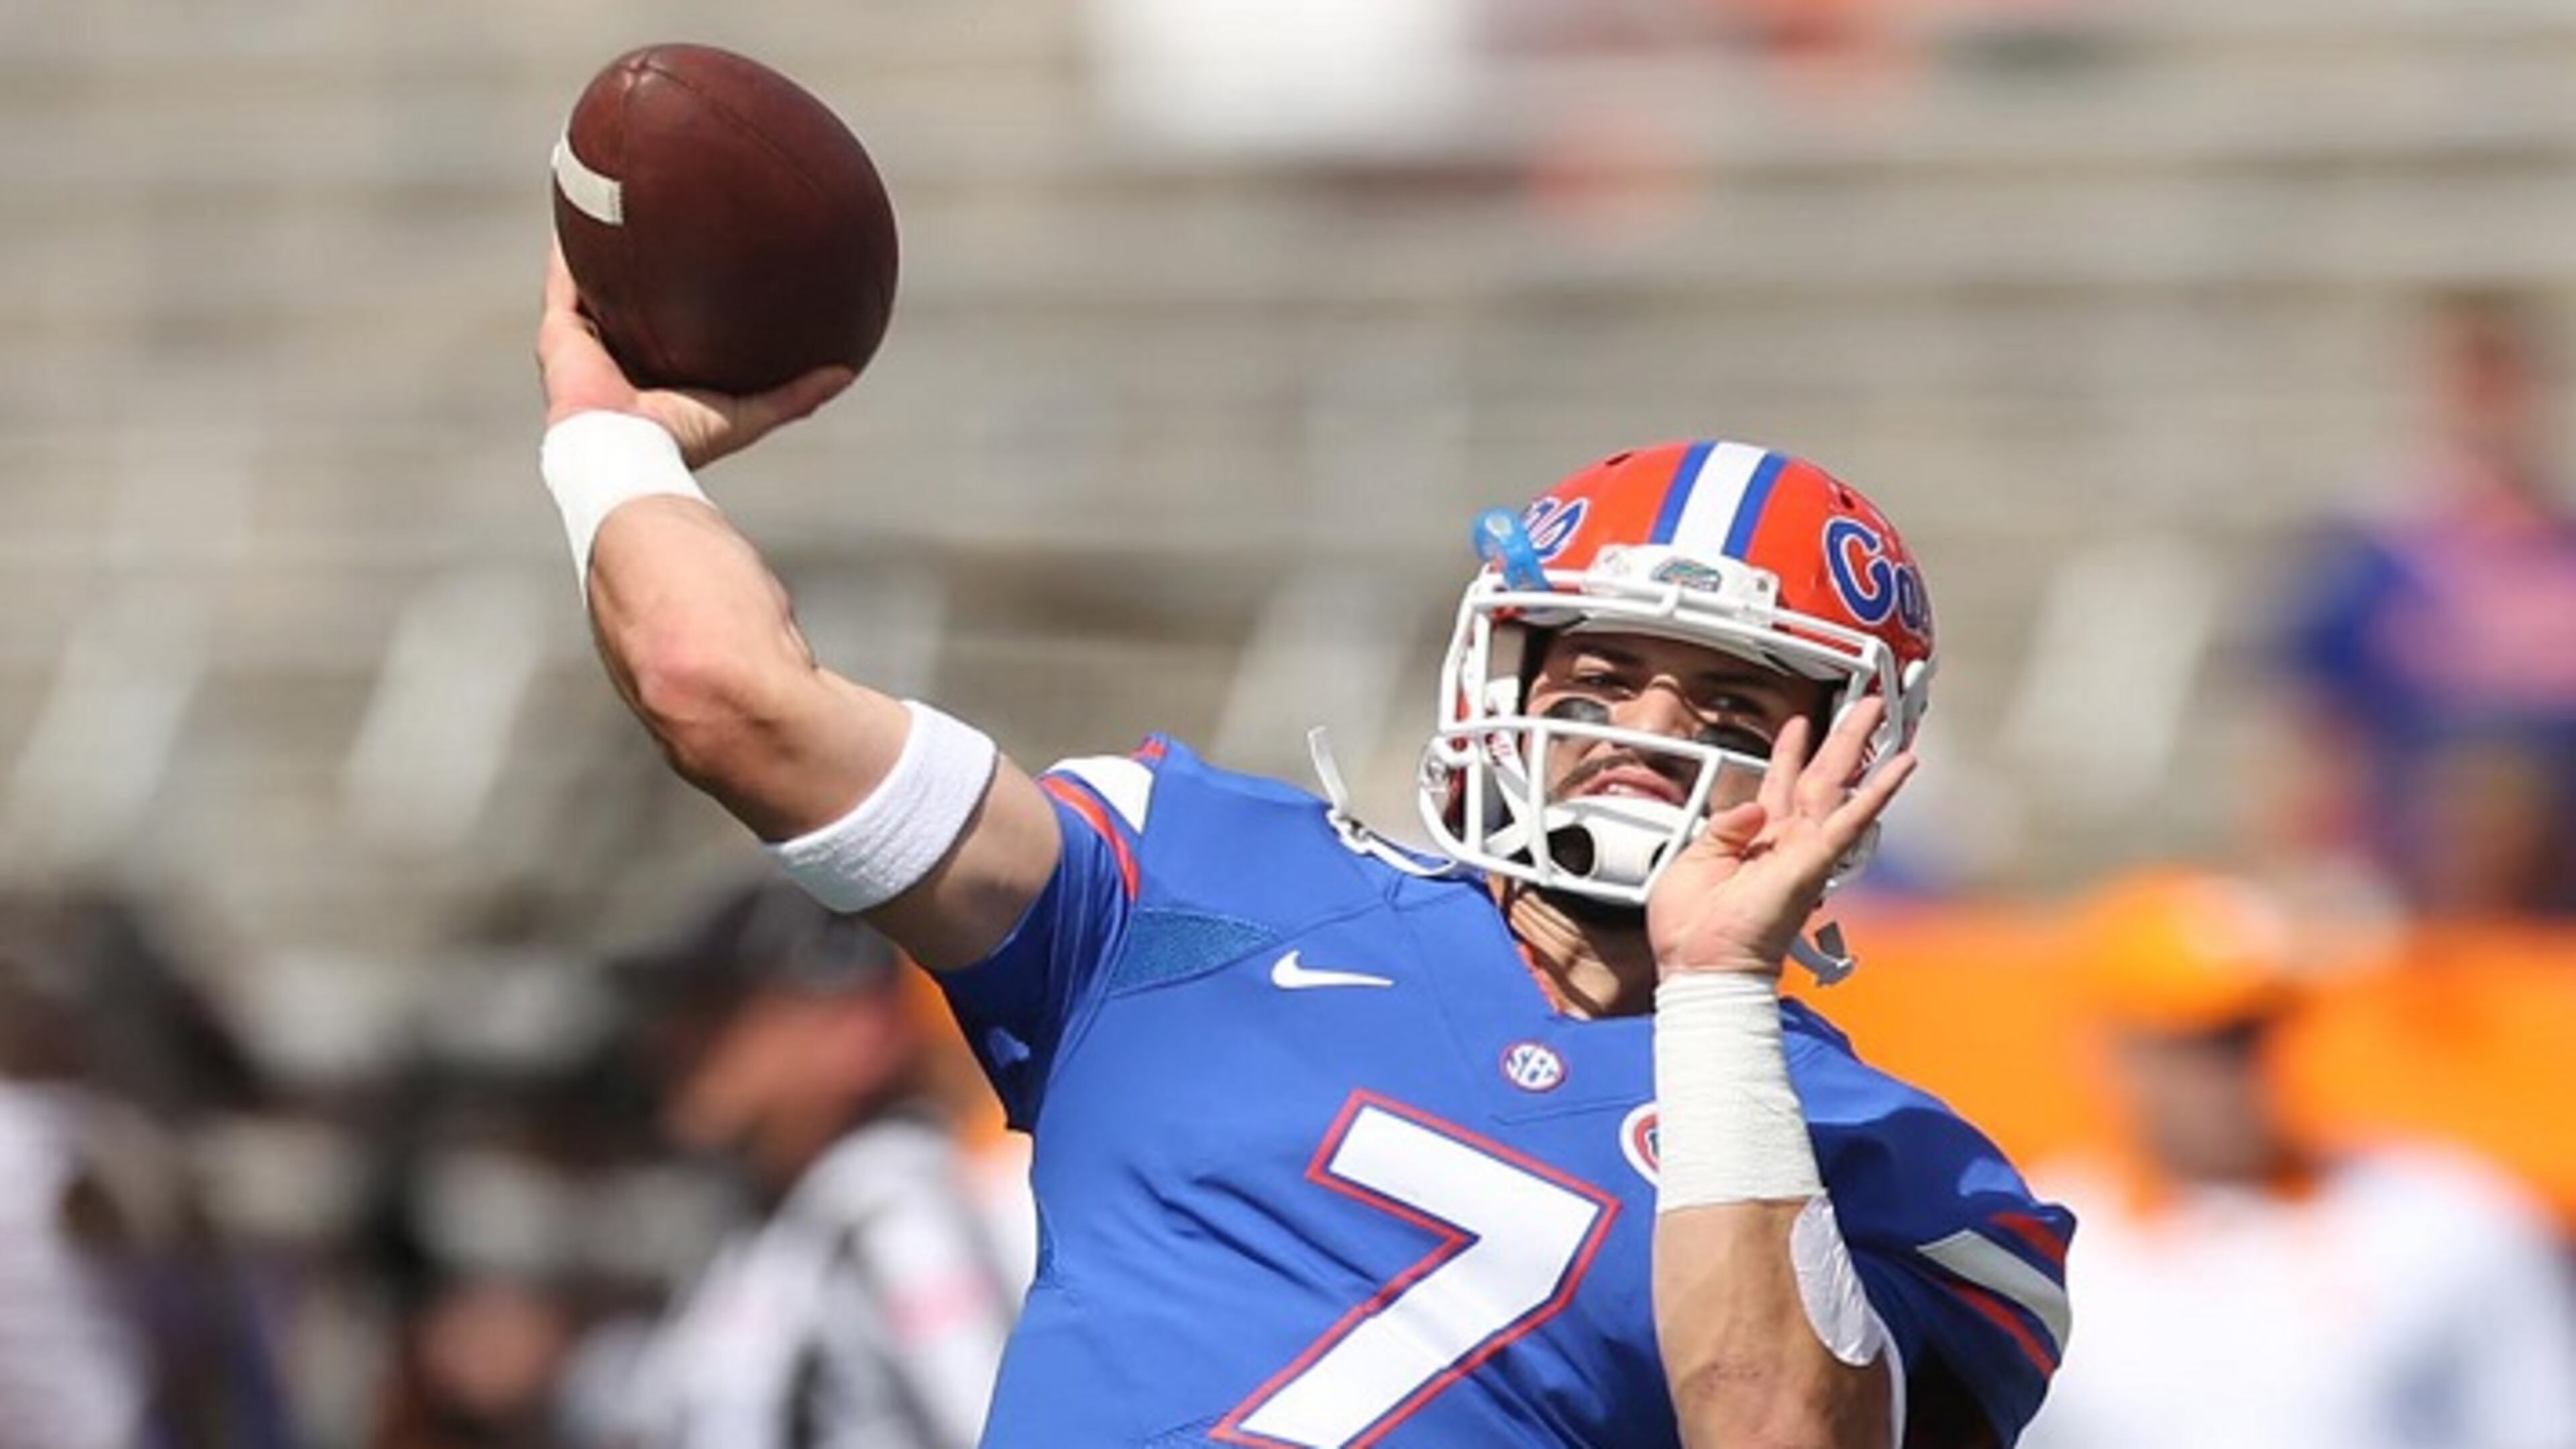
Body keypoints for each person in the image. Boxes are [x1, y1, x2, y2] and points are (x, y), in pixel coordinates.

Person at [533, 246, 2072, 1447]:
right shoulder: (1188, 880)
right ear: (1498, 681)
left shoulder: (1895, 1161)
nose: (1636, 728)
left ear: (1848, 755)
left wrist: (1719, 998)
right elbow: (723, 694)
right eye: (1595, 676)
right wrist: (610, 444)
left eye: (1726, 698)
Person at [2022, 867, 2576, 1449]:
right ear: (2110, 1050)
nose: (2229, 1073)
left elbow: (2539, 1426)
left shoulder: (2448, 1221)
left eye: (2250, 1036)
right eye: (2193, 1041)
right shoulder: (2031, 1241)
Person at [598, 880, 1024, 1449]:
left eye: (719, 1009)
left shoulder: (886, 1211)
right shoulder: (771, 1223)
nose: (673, 1039)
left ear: (858, 1029)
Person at [2267, 288, 2576, 919]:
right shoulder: (2371, 560)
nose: (2487, 409)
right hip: (2411, 890)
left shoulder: (2561, 546)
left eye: (2501, 383)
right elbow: (2313, 735)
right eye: (2469, 384)